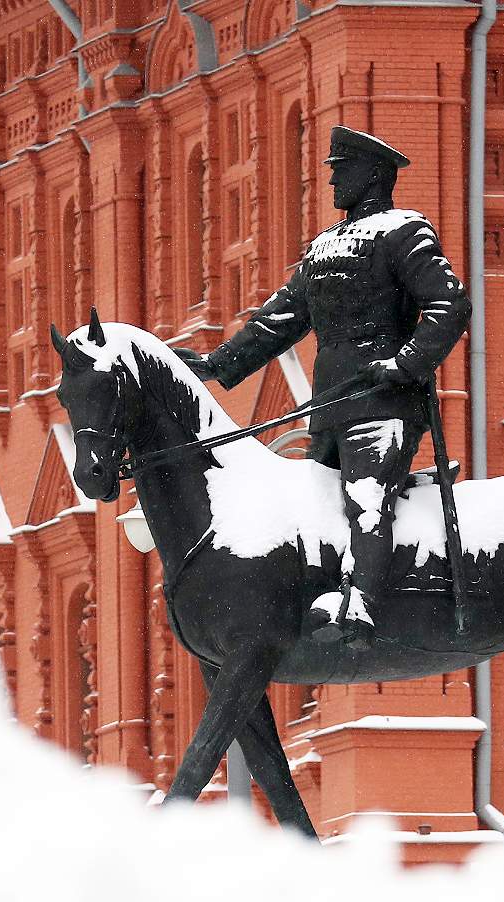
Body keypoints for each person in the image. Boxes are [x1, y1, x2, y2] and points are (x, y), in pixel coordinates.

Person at [182, 125, 471, 649]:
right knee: (318, 508)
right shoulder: (323, 247)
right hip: (333, 404)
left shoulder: (404, 231)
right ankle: (319, 598)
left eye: (343, 169)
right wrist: (216, 364)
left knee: (366, 501)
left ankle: (363, 608)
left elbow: (450, 305)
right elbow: (280, 320)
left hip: (383, 401)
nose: (333, 179)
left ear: (373, 175)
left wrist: (405, 363)